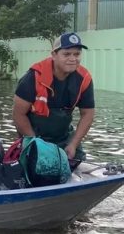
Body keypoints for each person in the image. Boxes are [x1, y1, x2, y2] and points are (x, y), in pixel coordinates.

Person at [12, 32, 94, 161]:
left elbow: (88, 113)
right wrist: (35, 144)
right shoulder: (33, 77)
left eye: (77, 54)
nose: (73, 59)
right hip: (34, 136)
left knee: (77, 162)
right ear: (54, 55)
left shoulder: (84, 79)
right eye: (66, 54)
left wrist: (73, 144)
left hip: (64, 136)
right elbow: (18, 114)